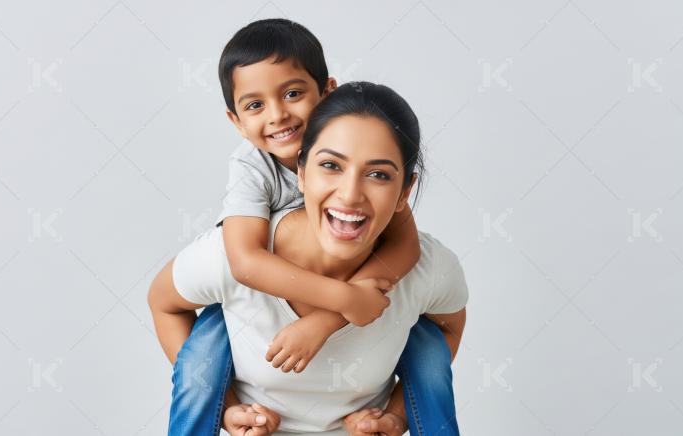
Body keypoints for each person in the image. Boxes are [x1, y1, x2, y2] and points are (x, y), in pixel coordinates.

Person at [149, 82, 468, 435]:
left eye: (378, 175)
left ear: (404, 192)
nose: (349, 195)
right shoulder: (232, 255)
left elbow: (447, 329)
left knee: (425, 336)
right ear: (300, 171)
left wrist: (396, 415)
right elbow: (163, 303)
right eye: (331, 165)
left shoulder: (426, 268)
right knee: (213, 322)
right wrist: (227, 408)